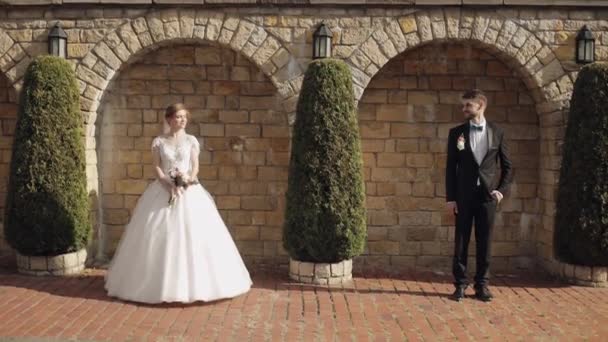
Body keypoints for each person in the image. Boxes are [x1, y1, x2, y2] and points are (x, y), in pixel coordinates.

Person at [105, 103, 252, 304]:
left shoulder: (191, 141)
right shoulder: (159, 142)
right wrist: (168, 183)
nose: (181, 120)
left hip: (189, 191)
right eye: (177, 117)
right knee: (156, 233)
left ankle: (197, 284)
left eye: (184, 117)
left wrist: (187, 181)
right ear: (169, 119)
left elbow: (195, 167)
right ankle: (156, 285)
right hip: (162, 190)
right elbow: (156, 167)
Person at [445, 89, 513, 302]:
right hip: (464, 196)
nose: (464, 109)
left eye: (468, 105)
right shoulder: (456, 133)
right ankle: (460, 285)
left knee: (485, 242)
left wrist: (500, 191)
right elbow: (450, 168)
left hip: (487, 197)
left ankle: (482, 286)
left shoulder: (497, 132)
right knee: (461, 242)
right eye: (463, 105)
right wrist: (451, 198)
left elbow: (508, 167)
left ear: (481, 105)